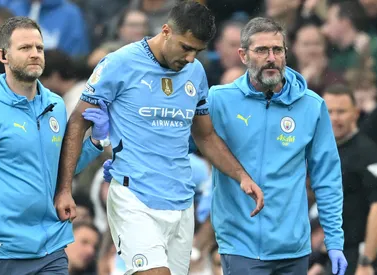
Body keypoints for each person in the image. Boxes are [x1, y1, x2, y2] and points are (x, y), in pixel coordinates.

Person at [103, 16, 348, 275]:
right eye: (262, 50)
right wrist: (128, 159)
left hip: (294, 247)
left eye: (277, 50)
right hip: (240, 245)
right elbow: (175, 144)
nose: (271, 58)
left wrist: (334, 241)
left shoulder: (311, 106)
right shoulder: (219, 100)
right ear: (242, 55)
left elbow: (327, 178)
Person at [56, 1, 264, 275]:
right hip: (134, 197)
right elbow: (77, 122)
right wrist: (64, 188)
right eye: (186, 47)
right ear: (166, 31)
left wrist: (242, 176)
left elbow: (205, 135)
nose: (191, 58)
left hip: (181, 201)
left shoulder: (196, 72)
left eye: (198, 51)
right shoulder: (119, 64)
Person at [0, 17, 109, 275]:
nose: (35, 54)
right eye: (25, 48)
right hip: (0, 251)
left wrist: (94, 142)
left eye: (39, 47)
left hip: (51, 247)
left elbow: (58, 171)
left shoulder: (55, 105)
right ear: (3, 55)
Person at [310, 84, 377, 275]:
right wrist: (321, 262)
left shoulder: (369, 153)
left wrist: (366, 261)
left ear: (355, 113)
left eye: (341, 111)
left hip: (363, 259)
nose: (335, 118)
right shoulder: (326, 152)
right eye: (329, 111)